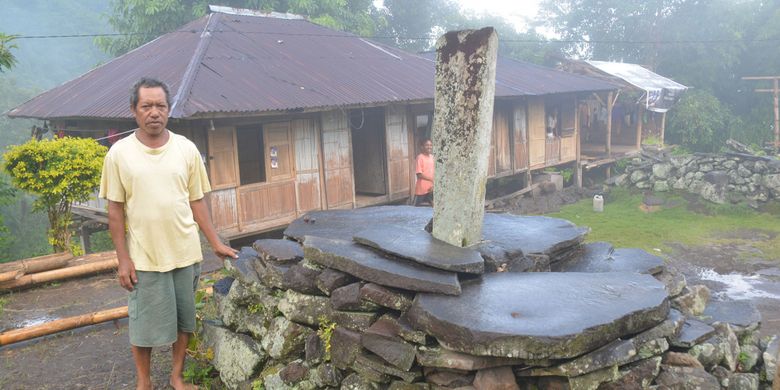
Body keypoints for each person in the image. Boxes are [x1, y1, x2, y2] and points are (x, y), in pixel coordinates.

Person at [99, 78, 238, 390]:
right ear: (133, 110)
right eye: (146, 106)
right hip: (145, 257)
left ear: (169, 109)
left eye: (160, 105)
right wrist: (123, 259)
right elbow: (115, 211)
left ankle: (177, 377)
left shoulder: (185, 149)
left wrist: (215, 242)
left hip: (185, 252)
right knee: (143, 325)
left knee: (184, 321)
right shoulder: (119, 154)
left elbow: (197, 200)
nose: (154, 112)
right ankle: (144, 382)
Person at [414, 138, 434, 206]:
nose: (429, 147)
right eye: (427, 145)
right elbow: (419, 174)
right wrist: (431, 179)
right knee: (416, 207)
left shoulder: (432, 157)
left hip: (431, 188)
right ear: (422, 147)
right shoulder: (420, 158)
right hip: (422, 189)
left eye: (430, 145)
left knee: (433, 207)